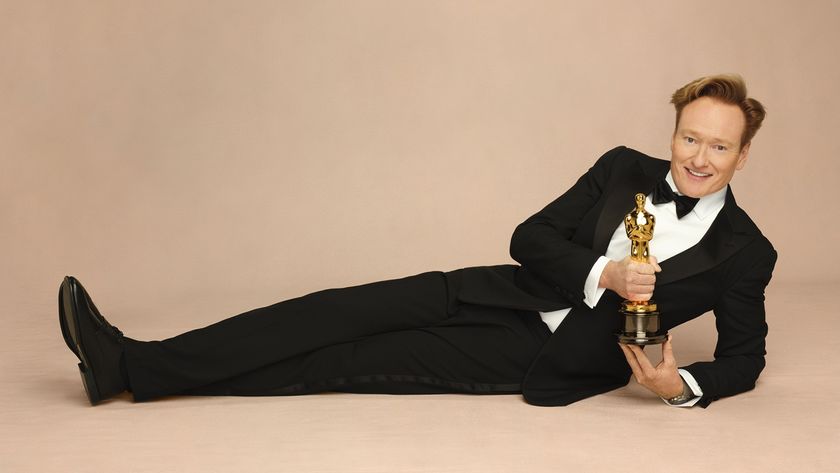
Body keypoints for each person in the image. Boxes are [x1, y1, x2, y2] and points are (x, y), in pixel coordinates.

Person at [58, 74, 776, 408]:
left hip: (538, 351)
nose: (699, 157)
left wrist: (676, 385)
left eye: (719, 146)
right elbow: (531, 236)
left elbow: (744, 357)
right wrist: (604, 273)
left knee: (343, 360)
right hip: (492, 286)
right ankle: (132, 361)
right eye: (690, 136)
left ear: (742, 155)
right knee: (325, 310)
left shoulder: (748, 251)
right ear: (673, 132)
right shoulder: (624, 166)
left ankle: (137, 374)